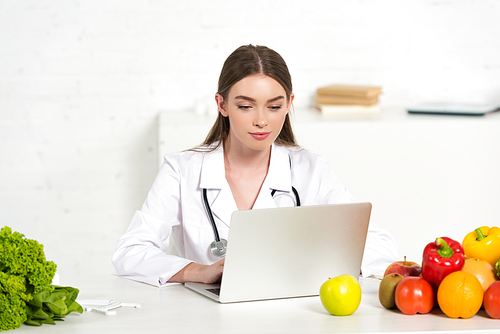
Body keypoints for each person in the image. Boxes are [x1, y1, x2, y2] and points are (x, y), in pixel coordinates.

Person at [112, 44, 399, 287]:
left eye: (274, 107)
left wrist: (311, 265)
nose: (261, 120)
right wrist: (198, 271)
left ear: (289, 104)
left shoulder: (310, 169)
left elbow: (380, 247)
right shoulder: (181, 170)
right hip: (205, 317)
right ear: (222, 105)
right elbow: (131, 252)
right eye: (246, 106)